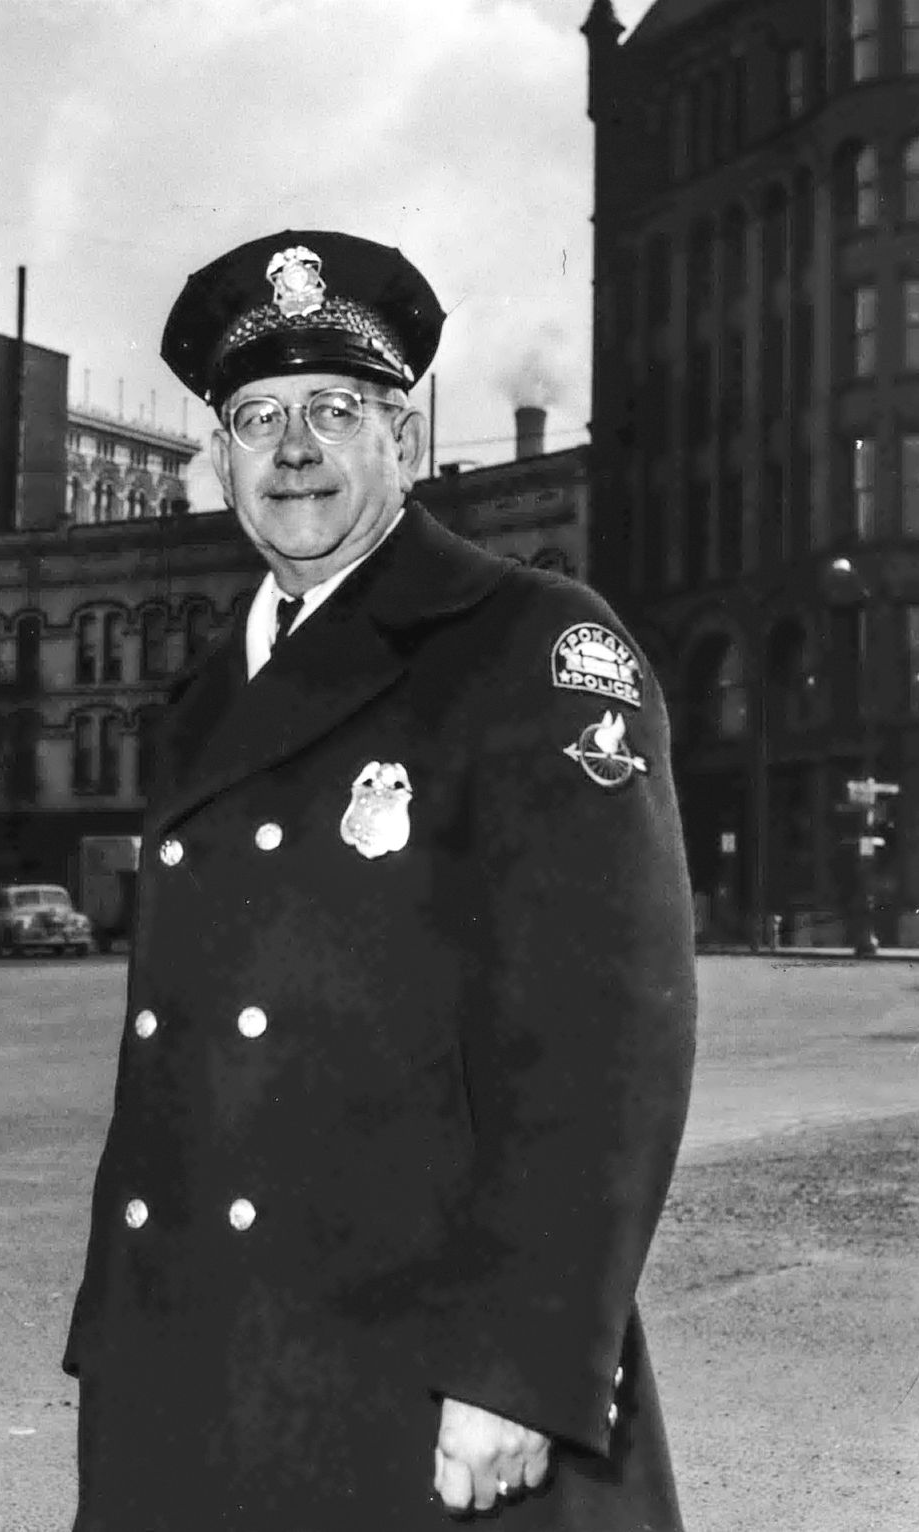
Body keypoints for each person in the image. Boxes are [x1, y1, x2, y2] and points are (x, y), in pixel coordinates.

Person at [64, 229, 697, 1531]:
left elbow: (605, 1040)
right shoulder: (202, 701)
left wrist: (521, 1370)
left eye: (335, 411)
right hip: (194, 1372)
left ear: (400, 439)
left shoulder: (528, 649)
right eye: (258, 417)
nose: (293, 450)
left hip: (417, 1388)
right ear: (222, 458)